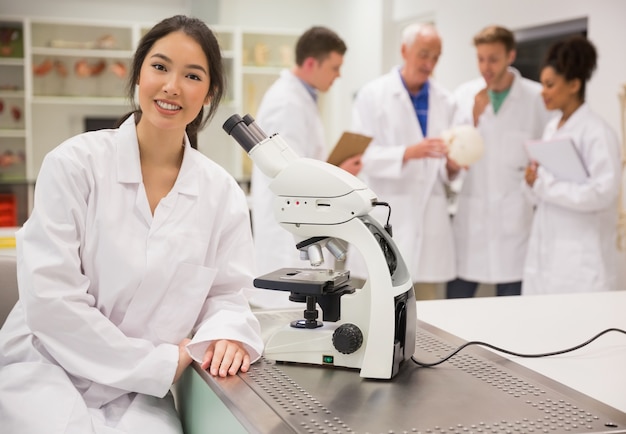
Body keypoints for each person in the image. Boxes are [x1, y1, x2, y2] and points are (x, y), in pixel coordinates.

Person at [0, 15, 264, 433]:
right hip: (45, 365)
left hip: (137, 393)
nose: (172, 86)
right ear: (139, 72)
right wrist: (158, 363)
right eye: (160, 67)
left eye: (192, 75)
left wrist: (228, 333)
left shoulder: (222, 193)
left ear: (209, 92)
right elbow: (50, 299)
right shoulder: (74, 164)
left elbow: (228, 294)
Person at [349, 23, 459, 300]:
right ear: (404, 50)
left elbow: (444, 169)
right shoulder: (373, 95)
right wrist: (407, 153)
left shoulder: (445, 100)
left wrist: (453, 167)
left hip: (429, 218)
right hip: (386, 210)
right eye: (424, 54)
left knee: (428, 310)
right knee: (378, 307)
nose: (429, 63)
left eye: (436, 57)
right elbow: (362, 157)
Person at [447, 25, 553, 298]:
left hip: (515, 223)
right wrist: (473, 116)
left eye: (493, 59)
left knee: (512, 309)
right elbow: (454, 155)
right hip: (472, 222)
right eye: (481, 58)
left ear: (510, 56)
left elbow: (548, 152)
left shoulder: (536, 98)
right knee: (456, 306)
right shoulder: (463, 95)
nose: (486, 67)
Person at [250, 26, 362, 276]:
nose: (339, 75)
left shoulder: (301, 98)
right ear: (312, 63)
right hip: (288, 228)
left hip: (300, 220)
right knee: (289, 303)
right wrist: (339, 172)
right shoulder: (286, 102)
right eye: (334, 68)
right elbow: (290, 173)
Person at [522, 36, 621, 294]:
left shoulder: (597, 132)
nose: (542, 91)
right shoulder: (552, 127)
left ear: (574, 84)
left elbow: (603, 193)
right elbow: (543, 188)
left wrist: (544, 185)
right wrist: (533, 181)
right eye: (542, 84)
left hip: (581, 260)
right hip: (547, 251)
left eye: (550, 84)